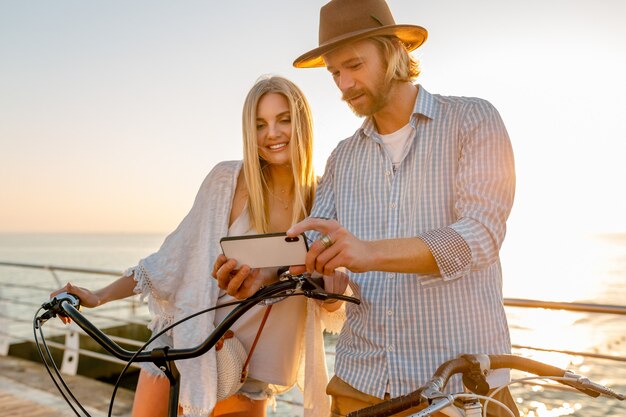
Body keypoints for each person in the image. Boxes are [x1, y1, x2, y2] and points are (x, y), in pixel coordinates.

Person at [51, 75, 347, 417]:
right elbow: (168, 263)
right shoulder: (227, 182)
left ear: (303, 124)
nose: (272, 134)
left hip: (253, 377)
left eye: (284, 120)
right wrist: (99, 296)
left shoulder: (322, 200)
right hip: (186, 360)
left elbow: (332, 303)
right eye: (260, 124)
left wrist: (329, 297)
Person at [285, 0, 518, 416]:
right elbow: (328, 276)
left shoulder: (473, 120)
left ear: (393, 52)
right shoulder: (341, 159)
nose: (344, 84)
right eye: (335, 72)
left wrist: (370, 253)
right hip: (359, 385)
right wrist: (323, 283)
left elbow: (480, 236)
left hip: (457, 391)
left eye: (354, 65)